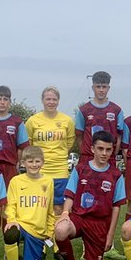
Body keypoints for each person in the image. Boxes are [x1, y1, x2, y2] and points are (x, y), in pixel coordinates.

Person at [54, 130, 126, 260]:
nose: (104, 153)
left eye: (108, 149)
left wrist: (110, 235)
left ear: (113, 150)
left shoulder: (116, 175)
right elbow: (70, 194)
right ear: (93, 149)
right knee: (60, 230)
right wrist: (66, 213)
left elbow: (116, 207)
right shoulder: (80, 169)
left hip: (99, 223)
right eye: (100, 149)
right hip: (79, 218)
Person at [1, 145, 55, 260]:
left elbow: (50, 209)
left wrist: (50, 230)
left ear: (43, 162)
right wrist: (11, 220)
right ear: (23, 163)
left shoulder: (48, 182)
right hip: (21, 225)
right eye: (30, 161)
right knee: (10, 233)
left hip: (38, 230)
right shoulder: (16, 181)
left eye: (37, 161)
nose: (34, 165)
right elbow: (11, 205)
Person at [25, 86, 76, 216]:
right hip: (39, 170)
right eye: (48, 99)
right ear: (42, 100)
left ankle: (56, 236)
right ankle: (41, 235)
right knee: (39, 206)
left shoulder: (67, 121)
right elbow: (28, 144)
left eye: (54, 99)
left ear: (58, 101)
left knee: (59, 207)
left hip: (60, 170)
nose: (51, 102)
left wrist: (58, 154)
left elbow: (69, 143)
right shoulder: (33, 121)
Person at [74, 71, 124, 167]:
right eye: (98, 87)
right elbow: (79, 135)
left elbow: (119, 137)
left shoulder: (116, 110)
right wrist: (86, 152)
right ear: (93, 88)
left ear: (108, 88)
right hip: (88, 158)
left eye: (104, 87)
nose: (101, 90)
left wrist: (113, 153)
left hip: (108, 159)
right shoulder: (84, 110)